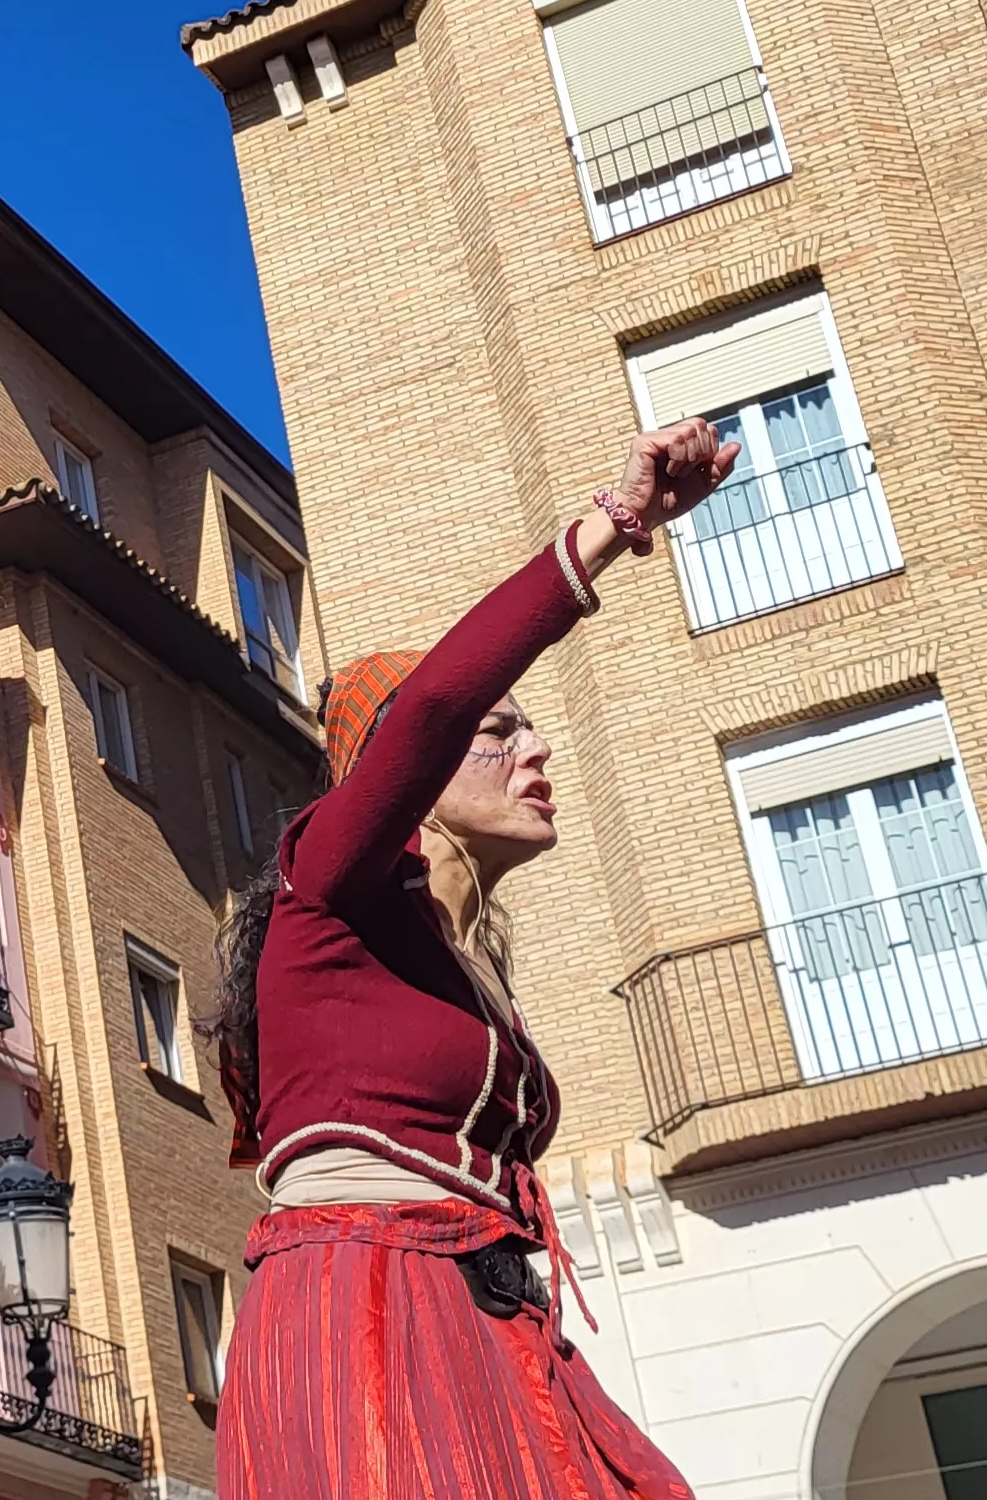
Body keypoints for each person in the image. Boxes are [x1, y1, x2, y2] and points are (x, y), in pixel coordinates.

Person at [203, 418, 732, 1500]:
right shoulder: (331, 886)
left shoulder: (461, 964)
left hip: (488, 1311)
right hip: (363, 1307)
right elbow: (436, 700)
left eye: (527, 732)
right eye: (501, 733)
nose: (535, 750)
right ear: (415, 771)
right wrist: (610, 528)